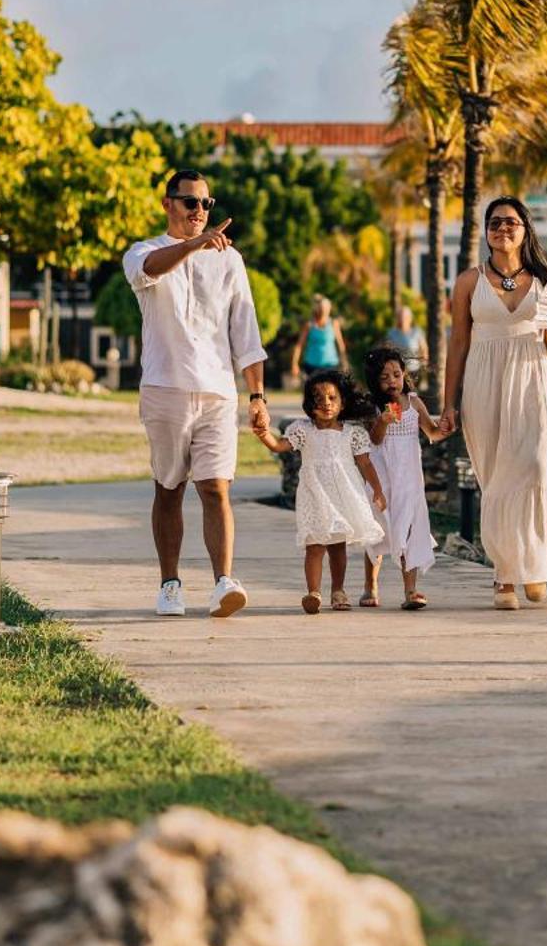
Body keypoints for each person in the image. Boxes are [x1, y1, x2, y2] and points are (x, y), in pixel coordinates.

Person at [439, 196, 547, 610]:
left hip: (532, 379)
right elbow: (458, 344)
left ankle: (534, 566)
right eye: (496, 222)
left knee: (536, 469)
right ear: (486, 231)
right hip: (484, 382)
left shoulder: (544, 280)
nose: (503, 228)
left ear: (525, 229)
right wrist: (449, 403)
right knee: (497, 480)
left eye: (512, 222)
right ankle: (505, 577)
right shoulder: (468, 281)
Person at [122, 170, 271, 620]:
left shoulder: (229, 261)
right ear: (168, 204)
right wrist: (192, 245)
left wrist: (257, 395)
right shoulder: (143, 251)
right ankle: (170, 585)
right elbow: (149, 272)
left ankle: (224, 581)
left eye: (206, 204)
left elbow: (245, 331)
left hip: (217, 392)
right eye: (190, 204)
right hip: (165, 387)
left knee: (216, 488)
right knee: (169, 488)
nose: (200, 212)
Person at [254, 369, 387, 614]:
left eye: (332, 398)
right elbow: (280, 446)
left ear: (342, 402)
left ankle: (338, 590)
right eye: (319, 399)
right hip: (314, 494)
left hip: (341, 496)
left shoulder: (351, 433)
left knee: (337, 546)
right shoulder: (303, 430)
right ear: (309, 404)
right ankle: (313, 592)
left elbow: (365, 463)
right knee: (314, 545)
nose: (326, 403)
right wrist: (264, 434)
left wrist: (377, 490)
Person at [364, 344, 446, 609]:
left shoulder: (413, 403)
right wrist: (383, 421)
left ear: (404, 375)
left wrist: (445, 427)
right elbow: (374, 441)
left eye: (396, 374)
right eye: (385, 377)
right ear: (376, 381)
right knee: (378, 530)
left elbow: (432, 433)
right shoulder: (374, 408)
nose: (392, 381)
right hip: (383, 476)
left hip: (408, 478)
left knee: (407, 528)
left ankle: (411, 590)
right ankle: (370, 585)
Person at [300, 294, 349, 380]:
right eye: (322, 308)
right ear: (318, 309)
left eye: (326, 308)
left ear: (329, 309)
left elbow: (340, 344)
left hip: (331, 364)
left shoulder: (334, 323)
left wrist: (344, 362)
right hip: (311, 365)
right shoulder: (309, 325)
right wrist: (294, 363)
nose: (324, 310)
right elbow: (299, 345)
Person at [383, 303, 429, 376]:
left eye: (404, 317)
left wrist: (423, 365)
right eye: (400, 316)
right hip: (397, 372)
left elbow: (424, 349)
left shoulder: (417, 332)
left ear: (410, 318)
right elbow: (386, 351)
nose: (402, 319)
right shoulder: (391, 333)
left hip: (414, 371)